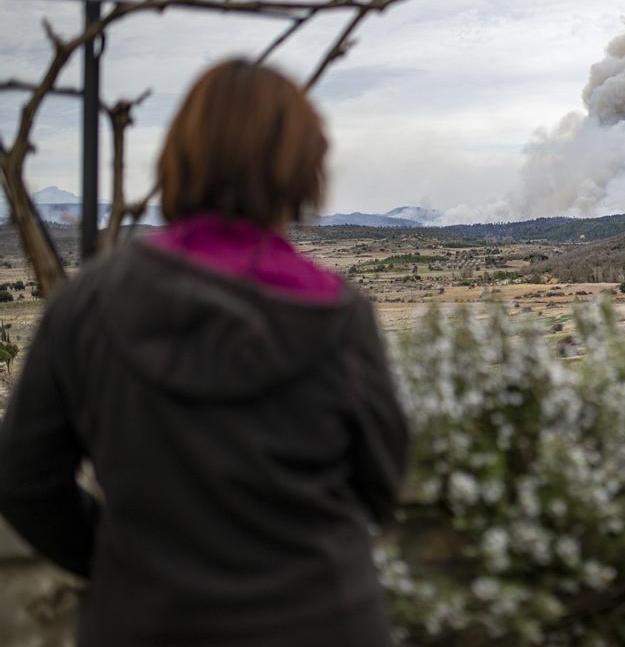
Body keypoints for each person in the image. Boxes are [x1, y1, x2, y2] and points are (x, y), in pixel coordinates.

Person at [0, 59, 408, 646]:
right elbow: (380, 484)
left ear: (179, 156)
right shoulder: (338, 317)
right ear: (302, 169)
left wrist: (129, 563)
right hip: (322, 618)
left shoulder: (86, 304)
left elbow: (23, 483)